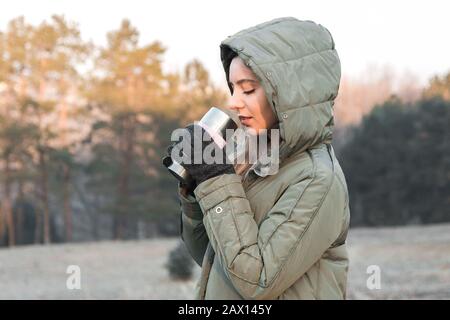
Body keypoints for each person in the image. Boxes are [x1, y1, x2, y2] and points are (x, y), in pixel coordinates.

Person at [169, 17, 350, 299]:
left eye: (248, 89)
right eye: (233, 88)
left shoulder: (317, 179)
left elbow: (257, 280)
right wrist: (196, 189)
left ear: (290, 93)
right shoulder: (254, 159)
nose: (233, 102)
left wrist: (216, 179)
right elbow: (213, 258)